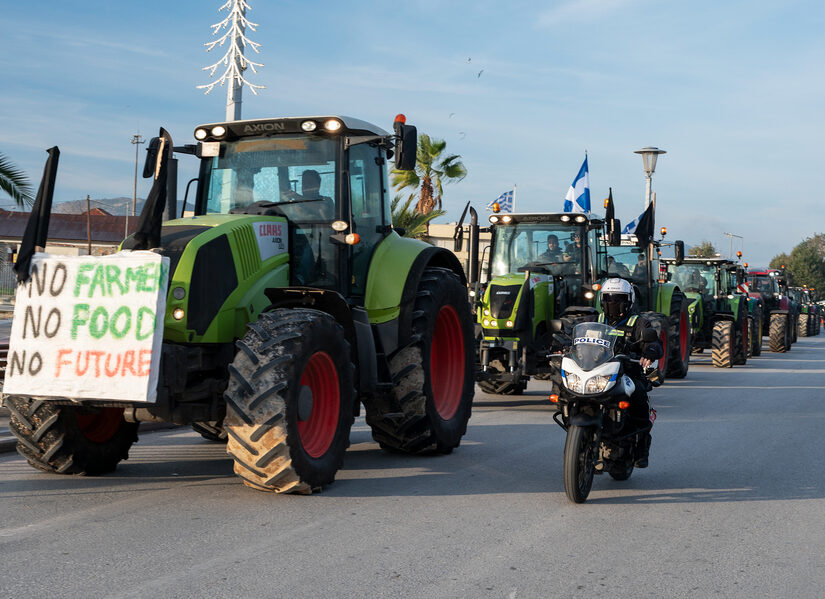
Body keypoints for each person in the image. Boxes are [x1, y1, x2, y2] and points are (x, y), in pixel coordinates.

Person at [597, 278, 663, 468]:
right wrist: (562, 344)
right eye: (609, 298)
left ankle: (642, 445)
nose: (613, 303)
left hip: (628, 372)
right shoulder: (595, 319)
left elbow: (654, 343)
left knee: (640, 394)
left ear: (629, 300)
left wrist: (649, 352)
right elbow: (574, 334)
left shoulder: (639, 323)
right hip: (598, 373)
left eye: (618, 299)